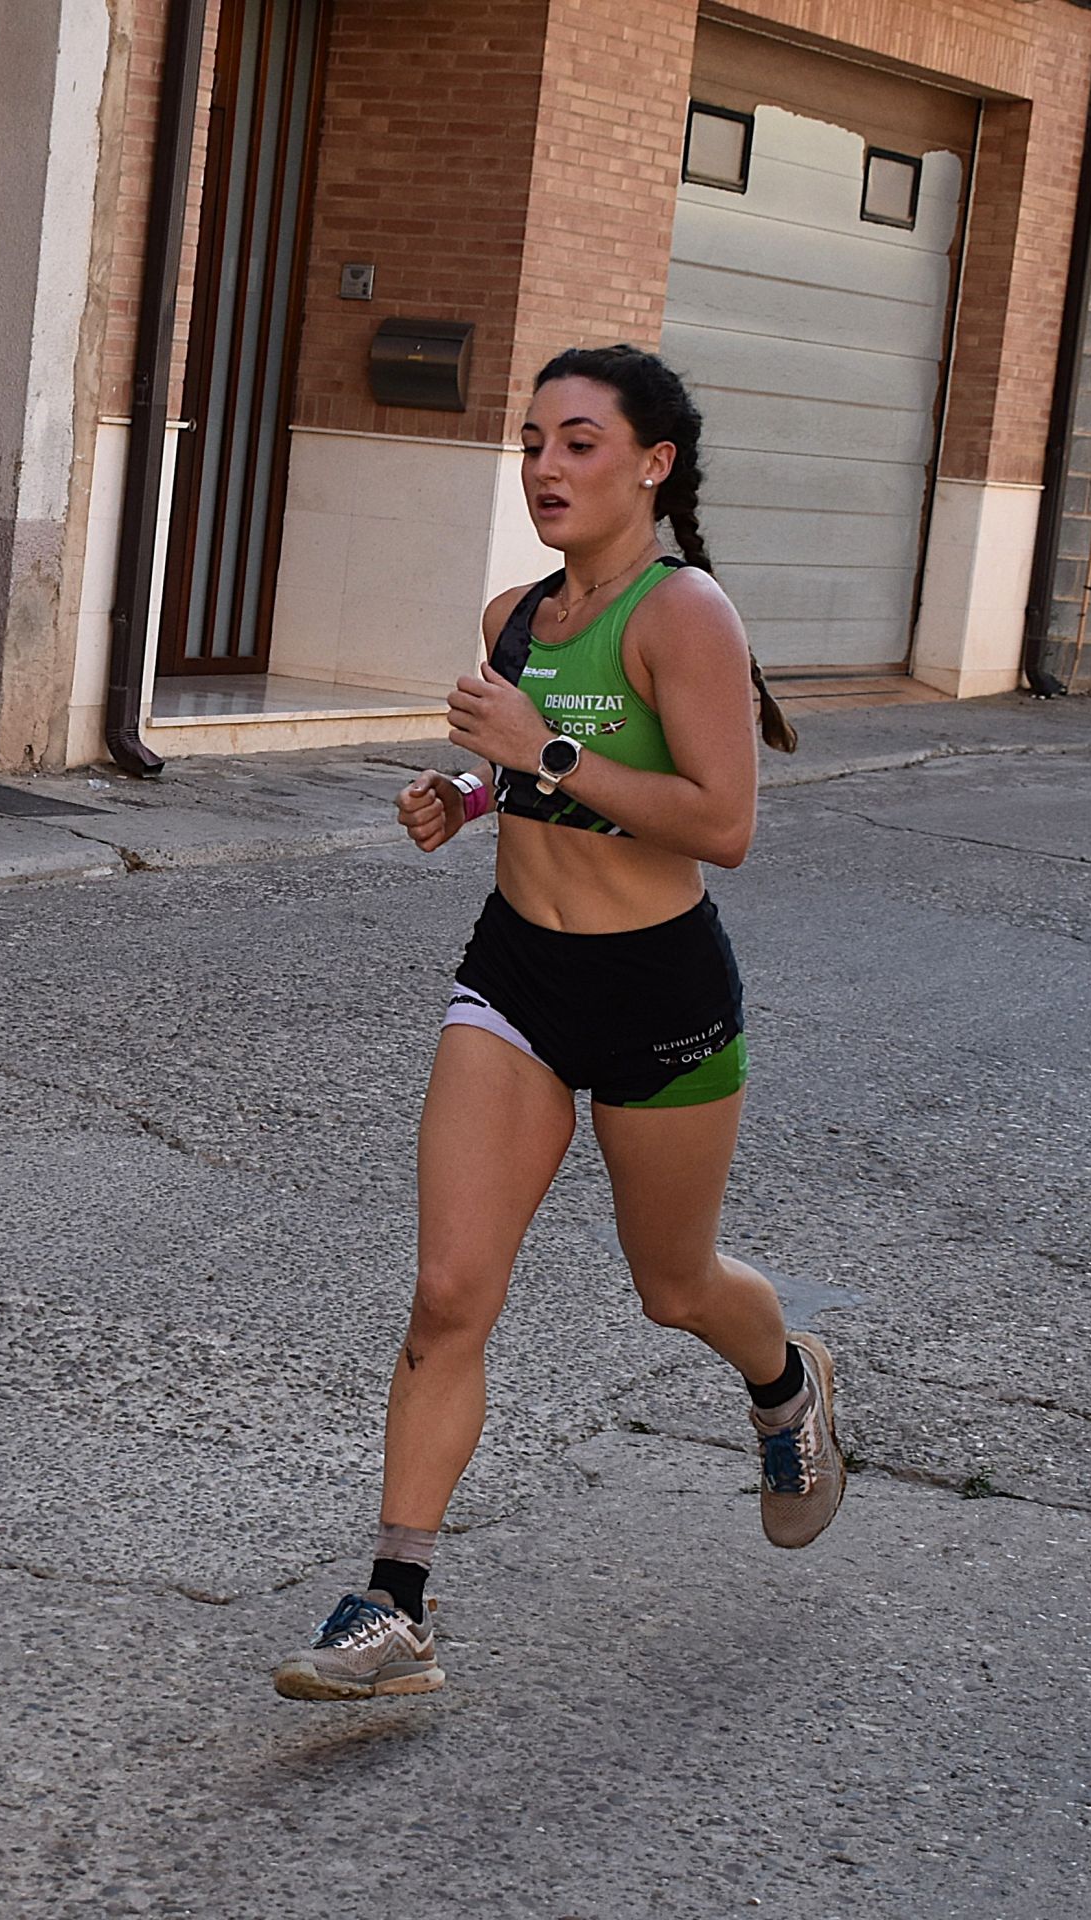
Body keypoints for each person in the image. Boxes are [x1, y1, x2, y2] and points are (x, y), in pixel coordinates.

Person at [272, 344, 845, 1703]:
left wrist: (541, 753)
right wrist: (466, 799)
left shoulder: (683, 614)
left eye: (578, 442)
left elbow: (723, 822)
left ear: (652, 462)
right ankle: (395, 1606)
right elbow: (524, 779)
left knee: (674, 1288)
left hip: (661, 995)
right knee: (448, 1295)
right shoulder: (513, 615)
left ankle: (786, 1384)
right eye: (532, 442)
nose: (544, 467)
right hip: (518, 979)